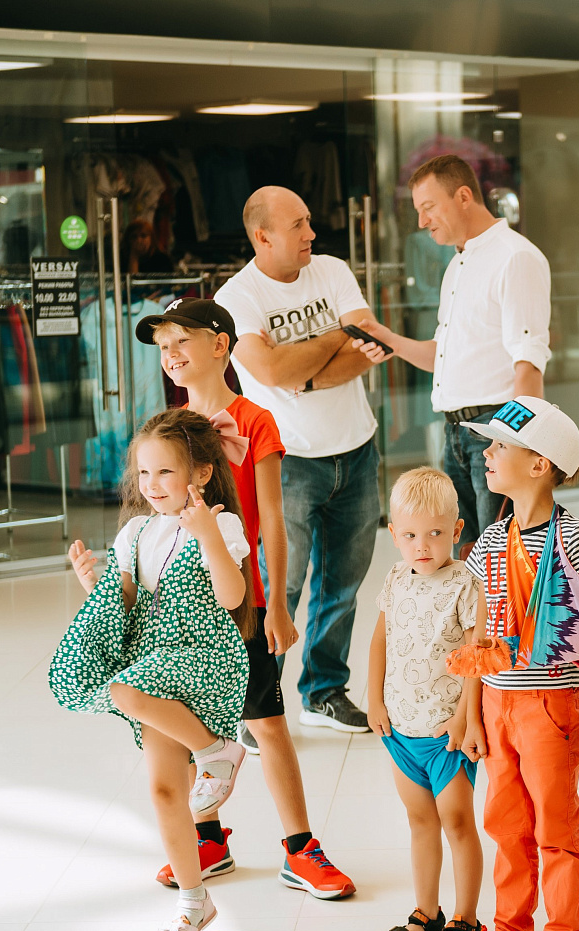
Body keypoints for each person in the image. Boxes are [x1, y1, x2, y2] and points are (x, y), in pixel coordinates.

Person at [135, 299, 357, 901]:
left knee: (267, 722)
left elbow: (275, 521)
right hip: (177, 607)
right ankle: (207, 840)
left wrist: (277, 604)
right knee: (192, 726)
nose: (171, 354)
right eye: (163, 346)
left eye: (182, 340)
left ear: (220, 346)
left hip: (241, 603)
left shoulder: (255, 420)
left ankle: (300, 848)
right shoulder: (166, 427)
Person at [48, 409, 253, 931]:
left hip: (203, 659)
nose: (152, 484)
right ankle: (194, 902)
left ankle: (216, 751)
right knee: (165, 791)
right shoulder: (135, 532)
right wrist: (94, 583)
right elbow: (126, 605)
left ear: (201, 474)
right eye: (144, 473)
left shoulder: (220, 525)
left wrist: (207, 534)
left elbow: (233, 597)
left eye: (165, 471)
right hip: (155, 663)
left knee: (123, 689)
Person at [441, 398, 579, 931]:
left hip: (548, 708)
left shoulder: (574, 537)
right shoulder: (490, 540)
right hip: (497, 705)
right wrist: (471, 715)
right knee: (506, 825)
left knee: (556, 826)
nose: (486, 453)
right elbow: (480, 636)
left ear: (539, 465)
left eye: (499, 446)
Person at [214, 185, 385, 735]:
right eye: (298, 226)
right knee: (276, 589)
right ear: (262, 237)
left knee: (343, 584)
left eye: (310, 221)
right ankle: (254, 706)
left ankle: (324, 691)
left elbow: (369, 344)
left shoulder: (332, 270)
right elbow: (268, 371)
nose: (312, 233)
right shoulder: (237, 297)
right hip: (286, 463)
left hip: (356, 450)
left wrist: (303, 372)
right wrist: (337, 337)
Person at [352, 154, 552, 551]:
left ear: (463, 196)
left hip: (494, 430)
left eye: (428, 207)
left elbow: (528, 363)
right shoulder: (457, 266)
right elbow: (444, 355)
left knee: (504, 559)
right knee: (467, 558)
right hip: (455, 434)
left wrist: (515, 447)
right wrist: (389, 340)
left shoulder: (516, 257)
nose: (422, 221)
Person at [368, 467, 487, 931]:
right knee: (420, 821)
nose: (423, 545)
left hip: (445, 733)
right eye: (411, 535)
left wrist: (465, 718)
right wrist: (375, 699)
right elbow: (381, 639)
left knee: (456, 821)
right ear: (394, 534)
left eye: (436, 533)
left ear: (456, 531)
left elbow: (478, 655)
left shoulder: (466, 584)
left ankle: (466, 917)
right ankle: (427, 911)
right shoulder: (396, 577)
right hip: (402, 729)